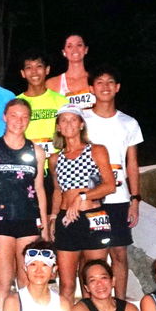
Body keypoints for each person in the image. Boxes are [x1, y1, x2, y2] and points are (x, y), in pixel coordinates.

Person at [81, 67, 143, 290]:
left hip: (119, 198)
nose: (105, 87)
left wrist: (135, 199)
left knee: (119, 254)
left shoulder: (129, 123)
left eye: (110, 82)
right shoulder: (82, 119)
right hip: (91, 197)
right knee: (90, 257)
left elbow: (132, 163)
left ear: (117, 88)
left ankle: (120, 304)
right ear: (91, 88)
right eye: (99, 82)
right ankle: (89, 309)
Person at [49, 106, 115, 298]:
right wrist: (53, 217)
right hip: (66, 220)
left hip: (93, 217)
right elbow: (57, 191)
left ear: (81, 124)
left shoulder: (96, 150)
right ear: (58, 127)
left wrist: (82, 197)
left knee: (94, 279)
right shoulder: (55, 159)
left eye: (73, 119)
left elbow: (110, 185)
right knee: (67, 285)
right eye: (64, 120)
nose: (68, 124)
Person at [0, 99, 51, 300]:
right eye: (14, 115)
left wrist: (46, 229)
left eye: (25, 116)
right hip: (1, 222)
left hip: (28, 221)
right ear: (5, 117)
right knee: (3, 282)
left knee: (27, 281)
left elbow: (40, 188)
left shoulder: (37, 151)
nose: (19, 121)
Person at [15, 53, 67, 153]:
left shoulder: (62, 101)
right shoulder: (17, 103)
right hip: (27, 164)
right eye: (29, 67)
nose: (34, 72)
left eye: (39, 66)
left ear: (47, 70)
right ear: (23, 73)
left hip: (56, 163)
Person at [45, 34, 94, 109]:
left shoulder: (96, 80)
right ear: (64, 52)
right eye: (69, 46)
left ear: (86, 49)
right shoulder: (52, 84)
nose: (75, 50)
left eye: (79, 45)